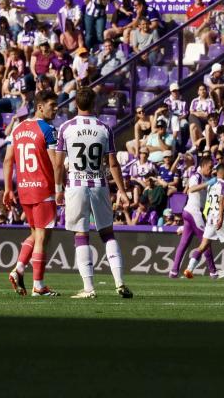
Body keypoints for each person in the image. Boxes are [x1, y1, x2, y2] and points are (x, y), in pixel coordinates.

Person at [54, 89, 133, 299]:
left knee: (81, 234)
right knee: (108, 233)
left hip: (76, 184)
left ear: (76, 104)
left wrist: (58, 190)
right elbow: (113, 163)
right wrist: (123, 191)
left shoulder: (65, 128)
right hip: (99, 183)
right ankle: (119, 282)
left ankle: (89, 288)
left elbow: (59, 164)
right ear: (94, 103)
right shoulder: (104, 128)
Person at [3, 90, 59, 297]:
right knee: (43, 236)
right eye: (52, 105)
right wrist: (61, 188)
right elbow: (55, 163)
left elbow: (8, 160)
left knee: (37, 234)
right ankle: (38, 285)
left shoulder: (17, 129)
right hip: (43, 187)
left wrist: (8, 188)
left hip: (24, 188)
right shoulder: (48, 129)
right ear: (40, 106)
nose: (56, 108)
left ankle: (18, 269)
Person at [171, 156, 220, 279]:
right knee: (206, 241)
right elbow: (191, 190)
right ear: (203, 166)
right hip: (194, 212)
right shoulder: (196, 176)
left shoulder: (205, 177)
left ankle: (173, 271)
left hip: (191, 212)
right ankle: (213, 272)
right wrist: (208, 183)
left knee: (184, 243)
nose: (211, 170)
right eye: (209, 167)